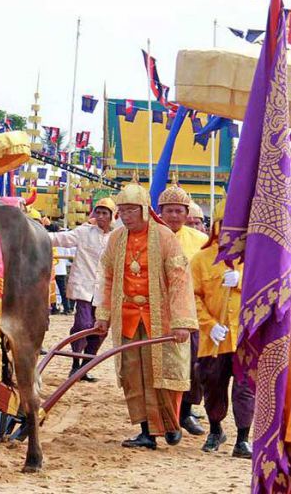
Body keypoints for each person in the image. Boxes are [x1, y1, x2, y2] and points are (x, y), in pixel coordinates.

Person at [95, 183, 198, 449]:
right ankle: (146, 433)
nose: (126, 216)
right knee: (134, 374)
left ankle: (171, 423)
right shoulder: (116, 240)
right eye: (123, 211)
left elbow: (179, 281)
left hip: (160, 319)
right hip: (127, 317)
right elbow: (106, 277)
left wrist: (182, 321)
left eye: (131, 210)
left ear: (144, 210)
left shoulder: (164, 237)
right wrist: (103, 314)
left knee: (164, 373)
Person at [191, 200, 253, 458]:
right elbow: (192, 297)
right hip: (213, 338)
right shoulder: (201, 259)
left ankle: (242, 438)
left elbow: (270, 291)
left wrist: (244, 280)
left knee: (245, 387)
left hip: (244, 337)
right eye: (225, 226)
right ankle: (215, 429)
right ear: (215, 226)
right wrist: (209, 324)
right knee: (213, 384)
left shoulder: (253, 260)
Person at [158, 183, 209, 437]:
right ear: (160, 212)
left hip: (192, 314)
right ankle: (161, 417)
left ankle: (186, 412)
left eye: (179, 210)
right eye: (169, 211)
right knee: (157, 367)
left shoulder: (200, 241)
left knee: (194, 366)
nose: (174, 215)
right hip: (157, 313)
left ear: (187, 213)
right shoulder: (151, 237)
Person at [49, 198, 116, 381]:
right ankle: (75, 364)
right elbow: (60, 238)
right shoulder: (84, 232)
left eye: (105, 213)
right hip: (84, 288)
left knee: (100, 329)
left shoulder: (118, 237)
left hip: (105, 292)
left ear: (112, 216)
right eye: (98, 212)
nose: (101, 217)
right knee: (83, 325)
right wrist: (34, 233)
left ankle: (85, 368)